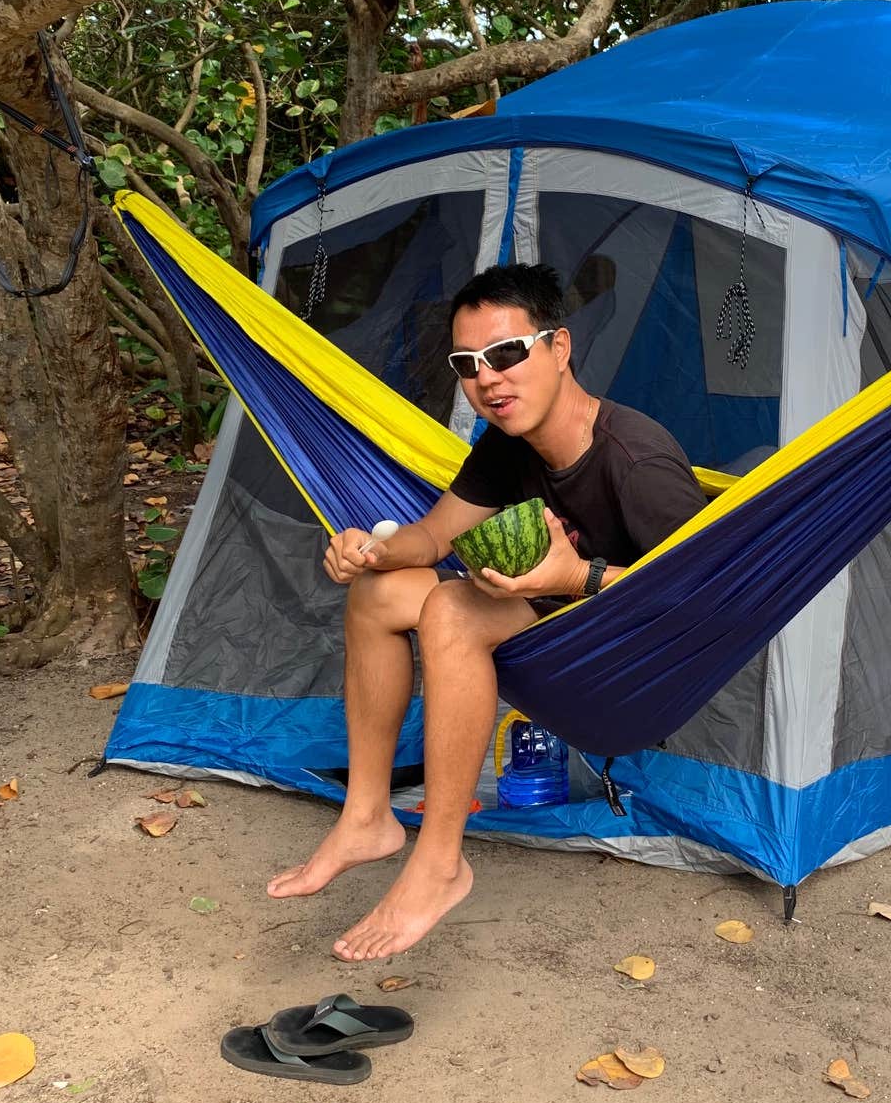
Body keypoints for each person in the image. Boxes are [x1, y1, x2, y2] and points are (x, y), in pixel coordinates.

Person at [267, 262, 705, 960]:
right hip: (547, 623)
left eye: (507, 354)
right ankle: (368, 816)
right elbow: (434, 537)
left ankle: (440, 863)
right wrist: (372, 548)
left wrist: (578, 575)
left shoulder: (637, 460)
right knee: (380, 594)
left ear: (559, 349)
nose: (488, 380)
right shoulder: (508, 443)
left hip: (623, 658)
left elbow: (700, 601)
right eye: (468, 364)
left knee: (451, 611)